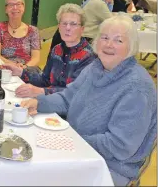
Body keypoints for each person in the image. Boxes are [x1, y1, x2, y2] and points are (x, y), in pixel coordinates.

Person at [20, 15, 157, 186]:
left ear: (131, 47)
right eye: (104, 37)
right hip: (78, 148)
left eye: (118, 40)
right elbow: (67, 97)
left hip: (109, 167)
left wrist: (72, 140)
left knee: (37, 176)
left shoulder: (137, 88)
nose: (108, 44)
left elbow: (119, 146)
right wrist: (39, 102)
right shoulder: (95, 68)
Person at [3, 4, 95, 98]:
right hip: (50, 101)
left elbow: (74, 92)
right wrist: (21, 72)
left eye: (73, 24)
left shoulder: (89, 57)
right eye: (64, 23)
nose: (67, 28)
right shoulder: (56, 50)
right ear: (59, 27)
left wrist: (41, 91)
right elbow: (45, 80)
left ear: (82, 29)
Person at [0, 0, 41, 68]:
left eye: (18, 4)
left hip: (27, 70)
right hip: (5, 69)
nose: (15, 8)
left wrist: (23, 68)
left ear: (24, 7)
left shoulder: (33, 31)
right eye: (11, 5)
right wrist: (14, 66)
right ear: (6, 9)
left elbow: (36, 58)